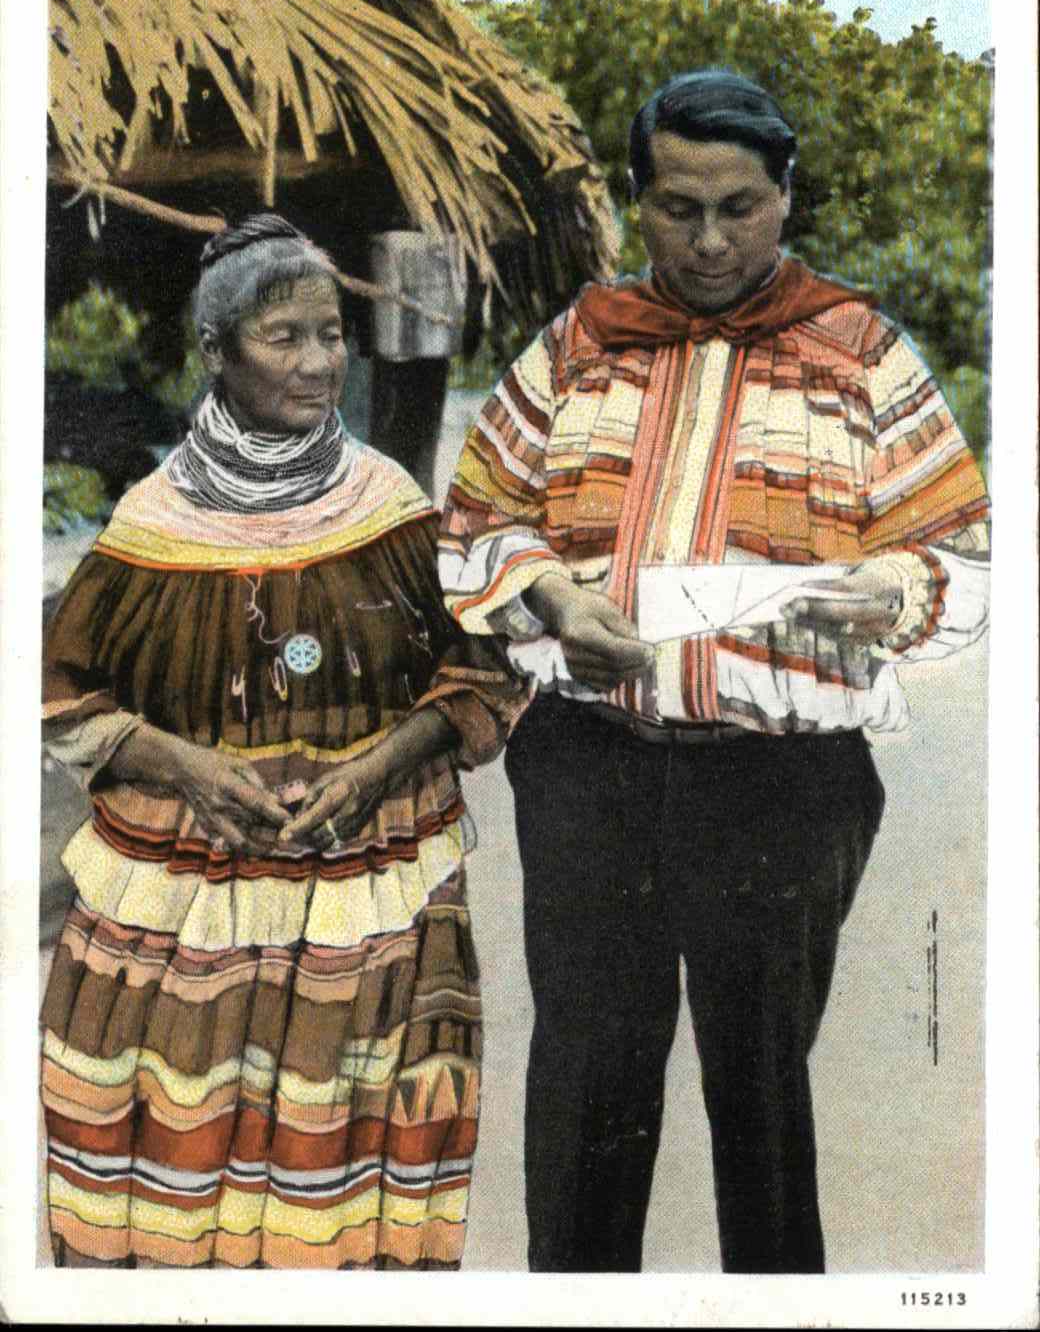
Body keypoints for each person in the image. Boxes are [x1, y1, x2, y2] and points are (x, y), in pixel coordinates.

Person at [438, 70, 990, 1274]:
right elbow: (471, 520)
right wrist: (550, 594)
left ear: (783, 198)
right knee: (587, 1079)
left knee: (761, 1094)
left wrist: (889, 591)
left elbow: (958, 550)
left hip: (782, 786)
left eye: (737, 206)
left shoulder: (864, 358)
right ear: (638, 203)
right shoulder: (578, 348)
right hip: (590, 770)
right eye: (676, 207)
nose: (706, 239)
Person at [40, 214, 528, 1270]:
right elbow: (57, 692)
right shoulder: (149, 527)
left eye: (331, 335)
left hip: (374, 904)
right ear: (215, 353)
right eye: (282, 339)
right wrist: (183, 766)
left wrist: (379, 766)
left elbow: (480, 670)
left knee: (350, 1198)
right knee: (180, 1186)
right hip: (189, 913)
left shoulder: (388, 509)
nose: (317, 365)